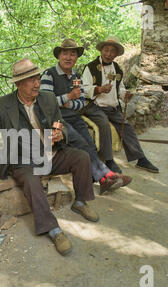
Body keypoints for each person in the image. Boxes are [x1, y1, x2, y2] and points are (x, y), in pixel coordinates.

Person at [0, 58, 100, 258]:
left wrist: (61, 134)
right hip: (24, 160)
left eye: (37, 78)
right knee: (32, 180)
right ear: (18, 84)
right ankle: (52, 229)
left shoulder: (48, 98)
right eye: (30, 80)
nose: (36, 83)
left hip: (51, 154)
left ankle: (81, 202)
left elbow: (60, 123)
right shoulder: (2, 105)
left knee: (81, 157)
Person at [40, 38, 132, 194]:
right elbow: (45, 103)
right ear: (59, 56)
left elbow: (81, 103)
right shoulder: (49, 74)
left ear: (76, 58)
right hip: (56, 120)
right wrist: (68, 97)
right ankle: (107, 176)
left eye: (72, 54)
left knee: (90, 144)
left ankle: (98, 179)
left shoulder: (77, 76)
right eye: (65, 54)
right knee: (80, 143)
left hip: (74, 117)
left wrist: (67, 103)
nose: (68, 58)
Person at [81, 36, 159, 174]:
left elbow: (120, 88)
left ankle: (140, 158)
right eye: (106, 50)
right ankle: (109, 160)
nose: (109, 54)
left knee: (127, 126)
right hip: (94, 106)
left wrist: (125, 94)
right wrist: (98, 89)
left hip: (112, 107)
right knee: (104, 124)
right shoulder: (90, 67)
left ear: (116, 54)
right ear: (101, 51)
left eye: (112, 51)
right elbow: (84, 89)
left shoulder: (117, 69)